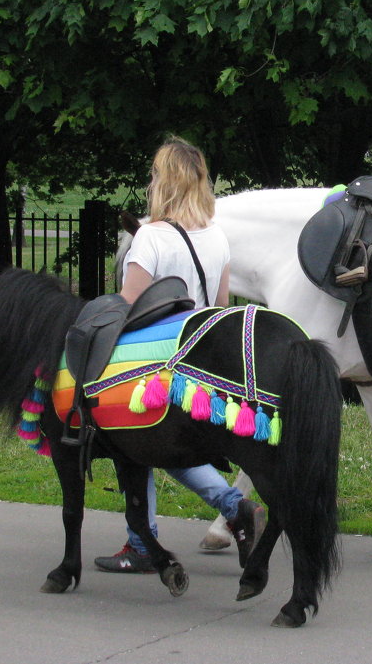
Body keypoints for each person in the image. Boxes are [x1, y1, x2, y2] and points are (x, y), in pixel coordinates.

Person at [94, 137, 265, 574]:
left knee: (133, 444)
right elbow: (222, 304)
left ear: (163, 183)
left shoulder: (150, 237)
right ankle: (233, 505)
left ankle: (141, 542)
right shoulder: (217, 237)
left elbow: (126, 310)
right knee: (173, 450)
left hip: (153, 366)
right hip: (200, 367)